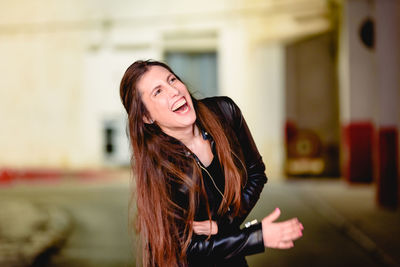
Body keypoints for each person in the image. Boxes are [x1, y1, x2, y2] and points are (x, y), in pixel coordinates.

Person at [119, 60, 303, 267]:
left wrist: (223, 225)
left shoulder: (225, 112)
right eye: (158, 92)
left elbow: (256, 173)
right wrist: (256, 237)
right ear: (146, 116)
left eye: (172, 79)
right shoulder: (157, 166)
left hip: (231, 258)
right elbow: (185, 248)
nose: (174, 91)